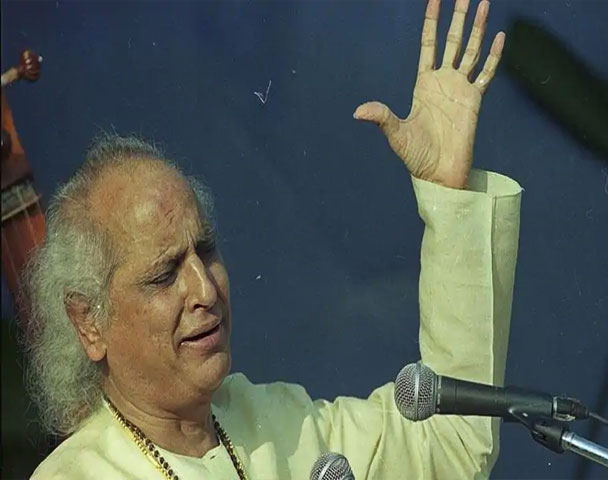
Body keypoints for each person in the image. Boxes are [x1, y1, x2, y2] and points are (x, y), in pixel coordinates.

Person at [24, 0, 522, 478]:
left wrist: (448, 193)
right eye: (164, 274)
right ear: (88, 322)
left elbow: (447, 443)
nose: (205, 289)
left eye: (206, 251)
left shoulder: (278, 424)